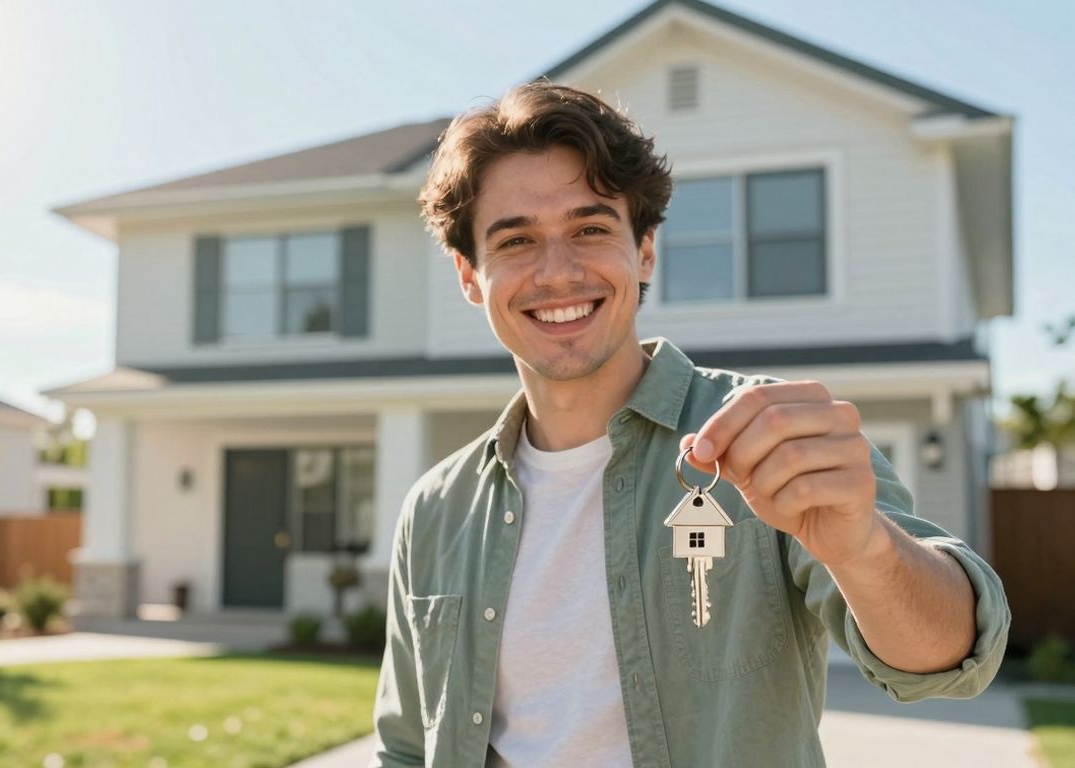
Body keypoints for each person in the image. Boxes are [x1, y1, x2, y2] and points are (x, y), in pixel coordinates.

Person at [368, 82, 1010, 767]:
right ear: (470, 276)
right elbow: (409, 746)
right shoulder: (436, 508)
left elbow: (947, 658)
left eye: (590, 229)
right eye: (517, 240)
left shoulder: (768, 438)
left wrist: (866, 550)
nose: (558, 272)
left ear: (644, 251)